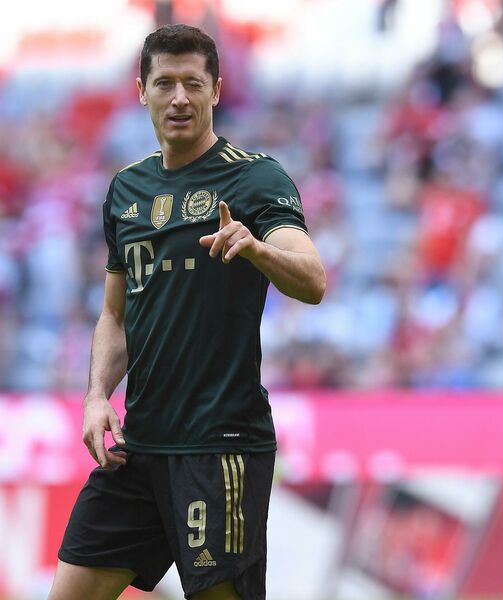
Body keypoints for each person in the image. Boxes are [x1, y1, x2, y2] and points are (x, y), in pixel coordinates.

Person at [49, 23, 326, 600]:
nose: (179, 98)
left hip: (219, 444)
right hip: (138, 447)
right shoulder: (126, 190)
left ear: (216, 90)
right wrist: (97, 396)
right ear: (142, 91)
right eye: (165, 83)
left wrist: (257, 249)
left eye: (193, 84)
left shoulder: (255, 177)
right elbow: (115, 316)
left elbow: (313, 280)